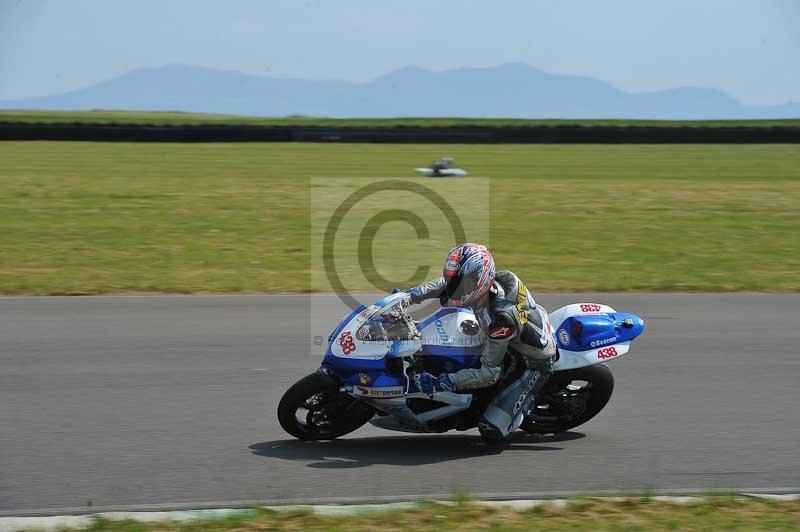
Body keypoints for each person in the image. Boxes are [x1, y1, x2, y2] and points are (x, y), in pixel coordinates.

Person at [395, 243, 557, 443]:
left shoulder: (501, 319)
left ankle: (527, 400)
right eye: (453, 280)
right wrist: (409, 296)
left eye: (461, 284)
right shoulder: (494, 281)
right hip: (512, 337)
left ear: (480, 279)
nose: (454, 288)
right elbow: (444, 284)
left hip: (531, 361)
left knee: (491, 431)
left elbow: (489, 373)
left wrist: (442, 382)